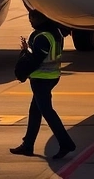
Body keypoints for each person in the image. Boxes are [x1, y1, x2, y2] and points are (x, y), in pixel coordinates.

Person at [10, 10, 76, 159]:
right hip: (51, 76)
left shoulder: (41, 37)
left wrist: (22, 70)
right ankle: (28, 145)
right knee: (35, 111)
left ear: (38, 19)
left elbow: (35, 60)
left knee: (47, 112)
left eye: (31, 19)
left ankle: (66, 143)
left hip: (41, 79)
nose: (30, 22)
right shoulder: (55, 32)